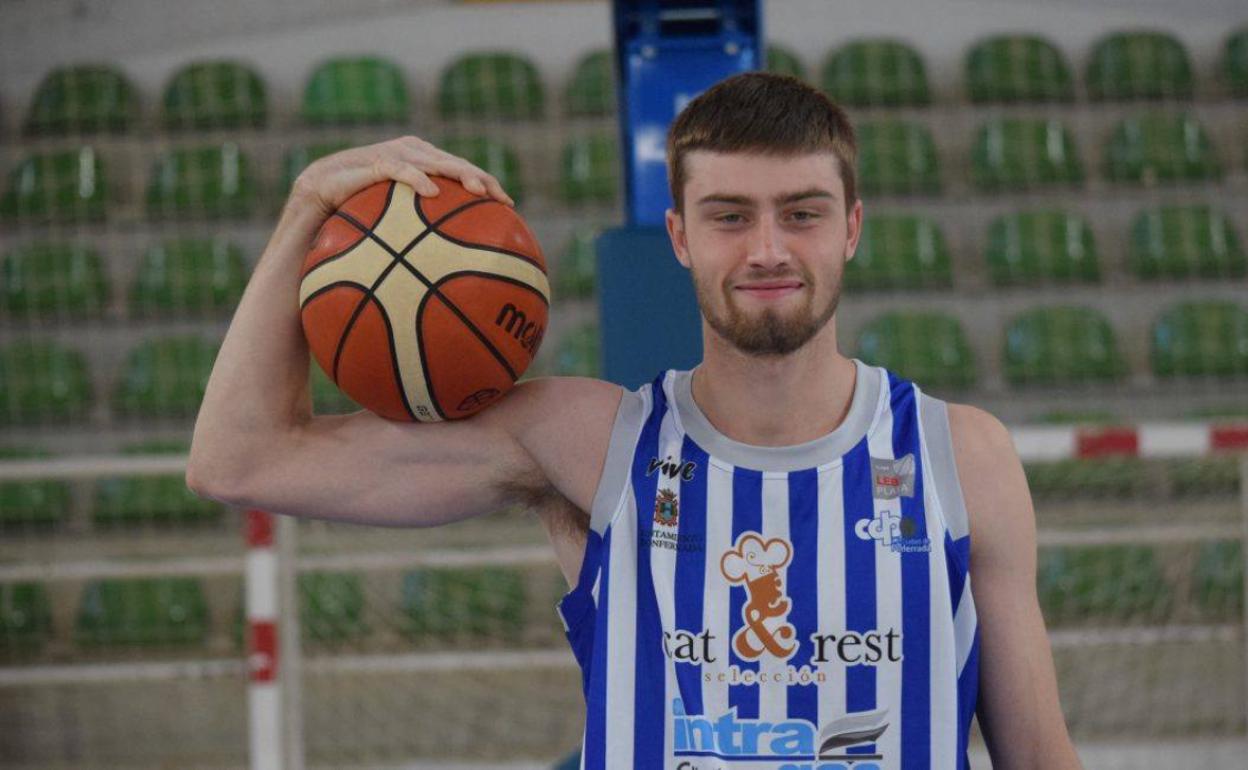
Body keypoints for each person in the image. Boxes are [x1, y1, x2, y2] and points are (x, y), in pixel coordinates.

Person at [188, 72, 1082, 769]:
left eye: (801, 214)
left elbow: (1038, 757)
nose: (767, 249)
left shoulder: (961, 455)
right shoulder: (588, 444)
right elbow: (240, 459)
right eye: (729, 217)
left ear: (850, 227)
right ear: (680, 236)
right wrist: (308, 206)